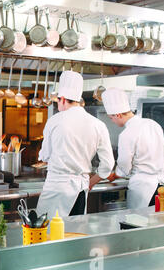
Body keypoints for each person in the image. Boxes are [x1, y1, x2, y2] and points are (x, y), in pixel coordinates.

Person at [36, 71, 115, 219]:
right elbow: (108, 164)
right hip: (80, 189)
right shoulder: (98, 124)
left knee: (46, 235)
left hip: (56, 187)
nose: (57, 104)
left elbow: (45, 156)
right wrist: (91, 181)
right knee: (74, 233)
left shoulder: (55, 120)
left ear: (63, 99)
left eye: (57, 101)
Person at [96, 87, 164, 208]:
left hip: (144, 190)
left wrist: (113, 175)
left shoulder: (127, 134)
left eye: (111, 118)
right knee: (161, 224)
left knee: (140, 224)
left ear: (118, 115)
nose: (113, 121)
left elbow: (124, 166)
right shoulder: (153, 124)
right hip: (163, 188)